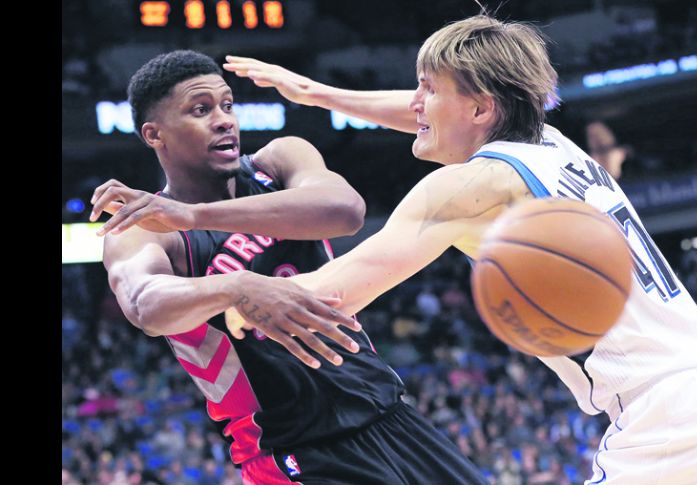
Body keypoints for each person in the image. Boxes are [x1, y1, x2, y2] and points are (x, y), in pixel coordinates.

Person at [224, 15, 697, 484]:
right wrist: (315, 93)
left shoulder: (465, 187)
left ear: (480, 109)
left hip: (667, 413)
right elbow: (435, 112)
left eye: (428, 88)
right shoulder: (551, 141)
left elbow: (329, 299)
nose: (414, 103)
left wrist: (226, 290)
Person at [93, 50, 489, 485]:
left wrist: (197, 214)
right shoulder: (146, 230)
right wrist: (236, 286)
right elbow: (144, 304)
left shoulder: (278, 161)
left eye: (227, 105)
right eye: (200, 110)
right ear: (155, 134)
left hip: (390, 414)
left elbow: (344, 210)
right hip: (294, 453)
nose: (224, 120)